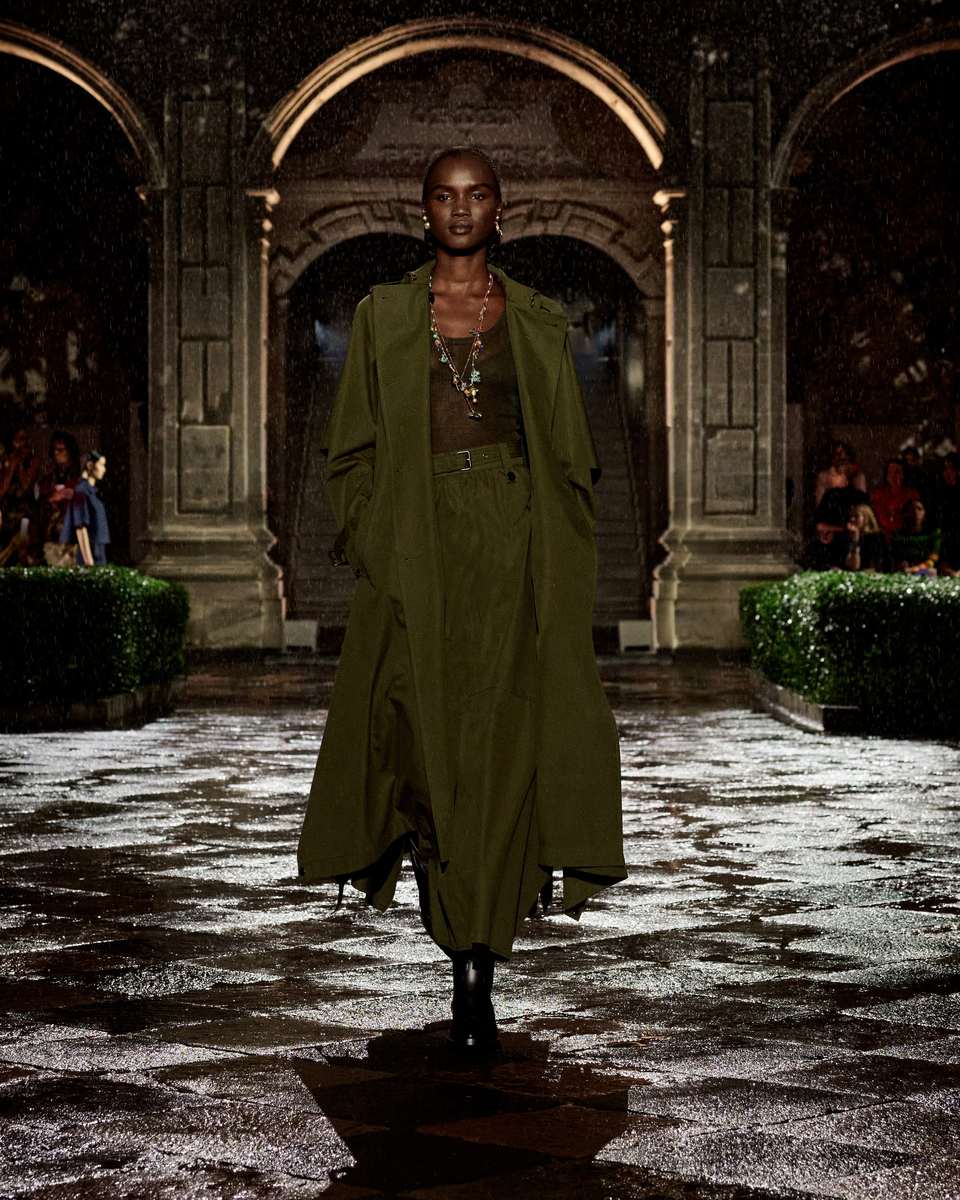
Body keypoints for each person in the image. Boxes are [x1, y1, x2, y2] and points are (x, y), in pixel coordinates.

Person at [297, 146, 625, 1052]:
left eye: (477, 194)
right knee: (424, 749)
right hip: (418, 545)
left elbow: (570, 455)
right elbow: (349, 453)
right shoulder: (384, 316)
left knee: (504, 751)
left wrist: (559, 558)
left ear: (499, 208)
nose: (460, 208)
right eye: (444, 195)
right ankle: (458, 936)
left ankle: (477, 963)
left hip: (513, 545)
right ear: (424, 210)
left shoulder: (538, 319)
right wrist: (379, 544)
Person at [60, 450, 110, 566]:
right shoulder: (81, 491)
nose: (104, 469)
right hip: (90, 554)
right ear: (90, 465)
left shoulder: (91, 492)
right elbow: (80, 527)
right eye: (101, 465)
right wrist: (89, 562)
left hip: (98, 550)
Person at [871, 458, 919, 542]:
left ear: (904, 474)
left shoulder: (912, 495)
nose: (892, 475)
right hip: (882, 540)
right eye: (890, 472)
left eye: (897, 472)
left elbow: (912, 521)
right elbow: (881, 520)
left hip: (906, 538)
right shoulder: (878, 494)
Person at [889, 496, 940, 575]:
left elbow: (933, 558)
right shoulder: (897, 535)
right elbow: (895, 556)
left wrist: (916, 569)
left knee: (932, 572)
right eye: (912, 509)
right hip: (904, 570)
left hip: (925, 570)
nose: (915, 512)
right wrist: (902, 564)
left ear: (925, 512)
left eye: (919, 509)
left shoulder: (933, 533)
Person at [814, 441, 866, 505]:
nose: (841, 457)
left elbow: (862, 502)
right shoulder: (824, 476)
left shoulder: (856, 476)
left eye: (844, 455)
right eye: (838, 454)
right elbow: (819, 503)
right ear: (832, 458)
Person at [933, 452, 960, 576]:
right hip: (946, 546)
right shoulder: (939, 492)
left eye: (952, 468)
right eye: (945, 468)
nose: (948, 472)